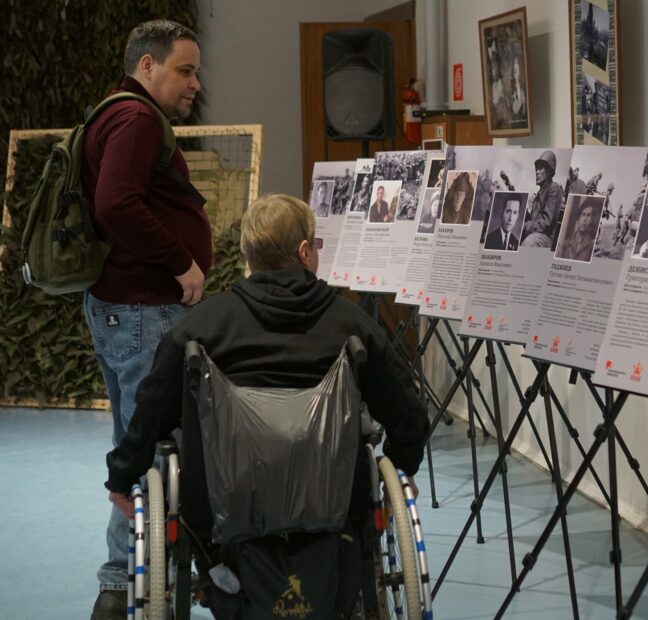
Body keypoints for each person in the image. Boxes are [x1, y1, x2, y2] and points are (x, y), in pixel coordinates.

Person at [104, 194, 429, 617]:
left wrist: (122, 476)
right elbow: (408, 415)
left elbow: (149, 413)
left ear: (248, 256)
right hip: (335, 517)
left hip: (221, 523)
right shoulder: (352, 327)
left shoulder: (202, 328)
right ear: (304, 252)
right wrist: (401, 466)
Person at [82, 20, 211, 619]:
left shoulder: (116, 113)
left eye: (197, 71)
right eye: (185, 70)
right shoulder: (136, 119)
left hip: (126, 309)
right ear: (147, 66)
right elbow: (115, 204)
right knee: (153, 452)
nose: (194, 83)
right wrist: (182, 261)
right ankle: (133, 583)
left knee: (135, 444)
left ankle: (123, 579)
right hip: (143, 311)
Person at [521, 150, 565, 248]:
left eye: (540, 169)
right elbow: (534, 220)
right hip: (536, 233)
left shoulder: (554, 188)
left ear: (549, 171)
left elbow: (545, 223)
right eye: (536, 169)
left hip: (546, 237)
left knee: (529, 243)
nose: (537, 172)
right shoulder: (538, 195)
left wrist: (524, 226)